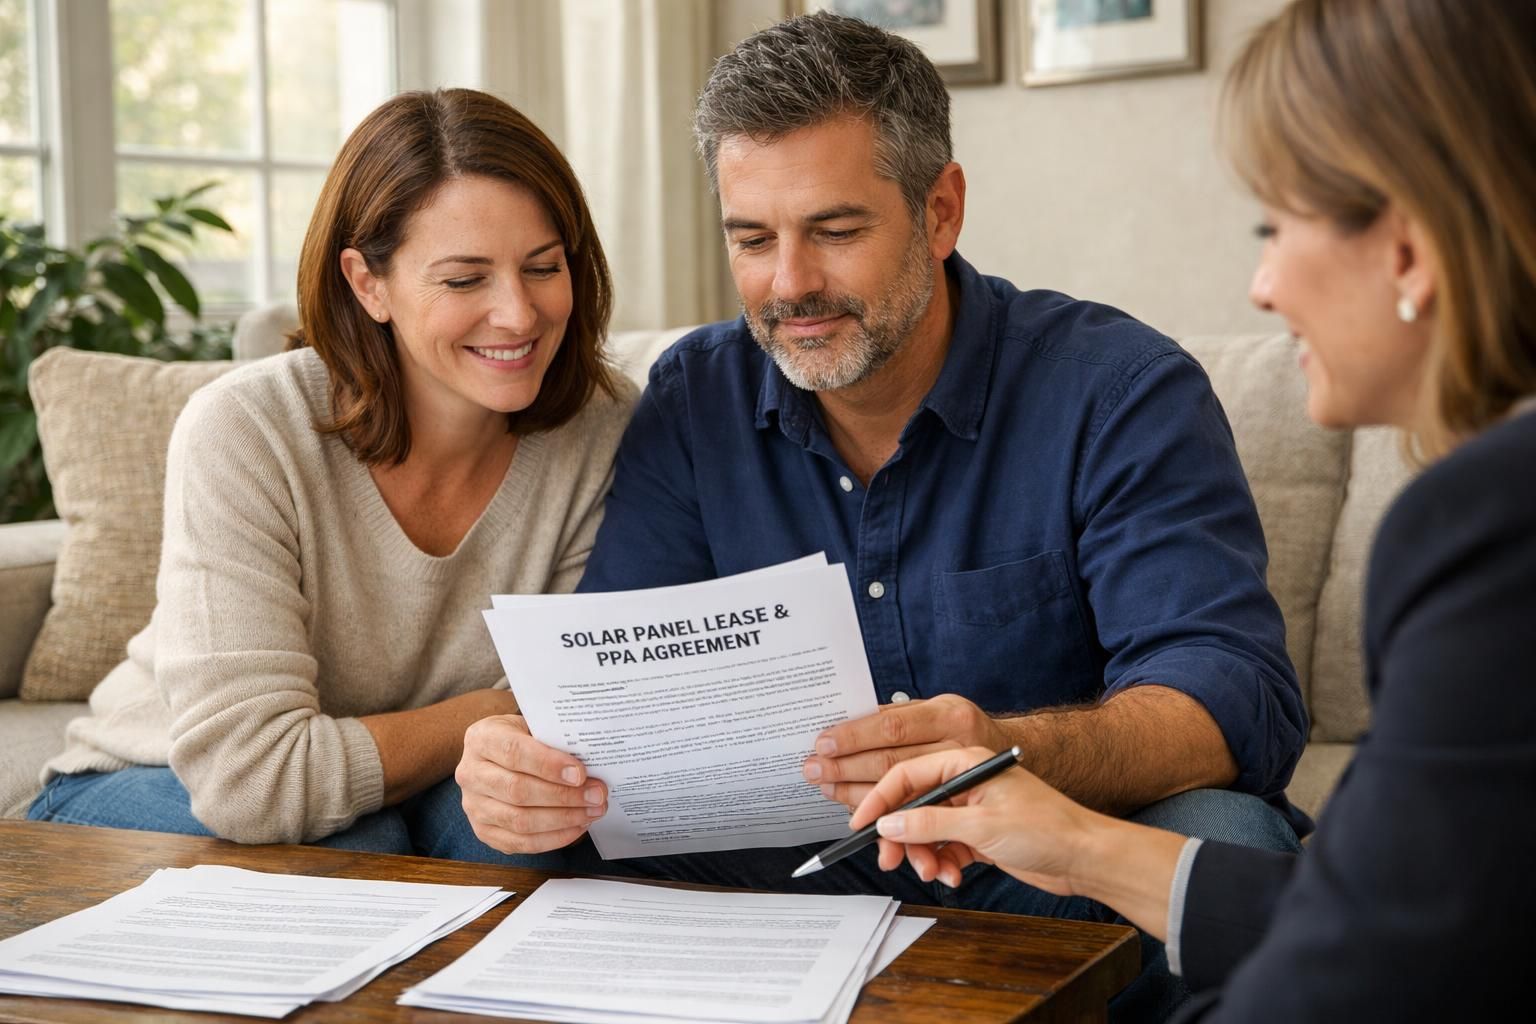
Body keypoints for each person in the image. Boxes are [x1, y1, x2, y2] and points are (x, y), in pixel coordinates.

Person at [455, 12, 1305, 1019]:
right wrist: (529, 767)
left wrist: (1002, 745)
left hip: (1038, 858)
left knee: (1230, 837)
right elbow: (611, 685)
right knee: (490, 828)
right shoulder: (696, 396)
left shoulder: (1116, 390)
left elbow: (1231, 696)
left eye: (836, 230)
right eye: (752, 238)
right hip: (779, 862)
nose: (789, 285)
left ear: (940, 211)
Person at [848, 0, 1536, 1019]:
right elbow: (1395, 911)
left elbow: (1363, 972)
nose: (1261, 285)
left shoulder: (1486, 527)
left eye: (1278, 224)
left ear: (1407, 248)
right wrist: (1076, 845)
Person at [27, 88, 636, 856]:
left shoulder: (602, 425)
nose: (518, 314)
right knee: (358, 847)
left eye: (543, 267)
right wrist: (493, 709)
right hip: (148, 777)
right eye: (464, 280)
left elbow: (584, 712)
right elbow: (254, 783)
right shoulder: (246, 428)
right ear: (366, 282)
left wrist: (520, 732)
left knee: (535, 840)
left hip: (430, 781)